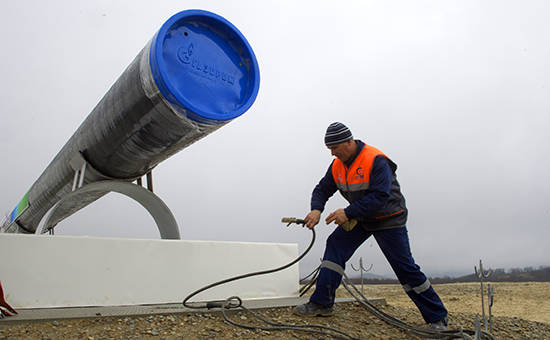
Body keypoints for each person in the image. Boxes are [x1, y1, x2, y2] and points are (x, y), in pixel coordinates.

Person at [294, 122, 448, 329]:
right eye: (329, 149)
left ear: (349, 142)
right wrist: (316, 209)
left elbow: (380, 197)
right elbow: (322, 189)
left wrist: (347, 213)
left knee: (405, 268)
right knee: (335, 245)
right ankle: (321, 303)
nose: (332, 153)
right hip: (362, 217)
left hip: (389, 218)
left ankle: (438, 317)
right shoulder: (337, 165)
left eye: (335, 148)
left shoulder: (375, 160)